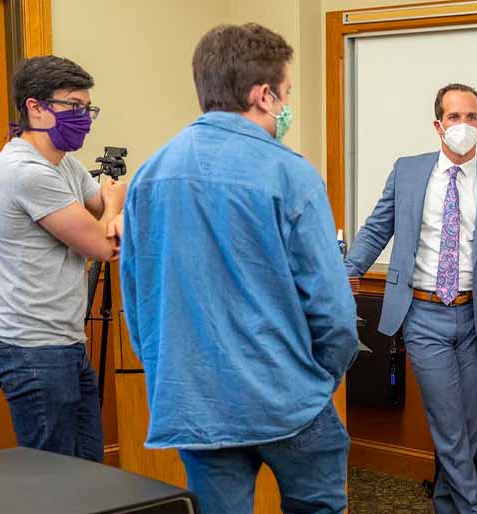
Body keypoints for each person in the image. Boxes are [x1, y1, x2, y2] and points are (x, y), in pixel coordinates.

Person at [118, 23, 359, 514]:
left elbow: (138, 304)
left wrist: (177, 374)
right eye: (287, 93)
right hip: (289, 399)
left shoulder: (149, 175)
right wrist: (320, 380)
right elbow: (334, 313)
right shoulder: (291, 175)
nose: (287, 105)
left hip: (198, 404)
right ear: (264, 95)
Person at [344, 83, 477, 514]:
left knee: (465, 428)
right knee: (448, 425)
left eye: (471, 116)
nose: (463, 125)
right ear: (438, 125)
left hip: (474, 317)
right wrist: (341, 275)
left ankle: (448, 506)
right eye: (454, 117)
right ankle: (474, 508)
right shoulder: (407, 171)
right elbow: (375, 230)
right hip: (422, 314)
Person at [0, 55, 126, 461]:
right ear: (35, 107)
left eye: (87, 108)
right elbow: (104, 245)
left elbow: (100, 213)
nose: (84, 118)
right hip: (31, 350)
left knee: (88, 471)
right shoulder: (27, 172)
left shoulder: (63, 163)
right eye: (72, 107)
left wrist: (111, 208)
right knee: (54, 483)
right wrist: (115, 202)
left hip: (64, 342)